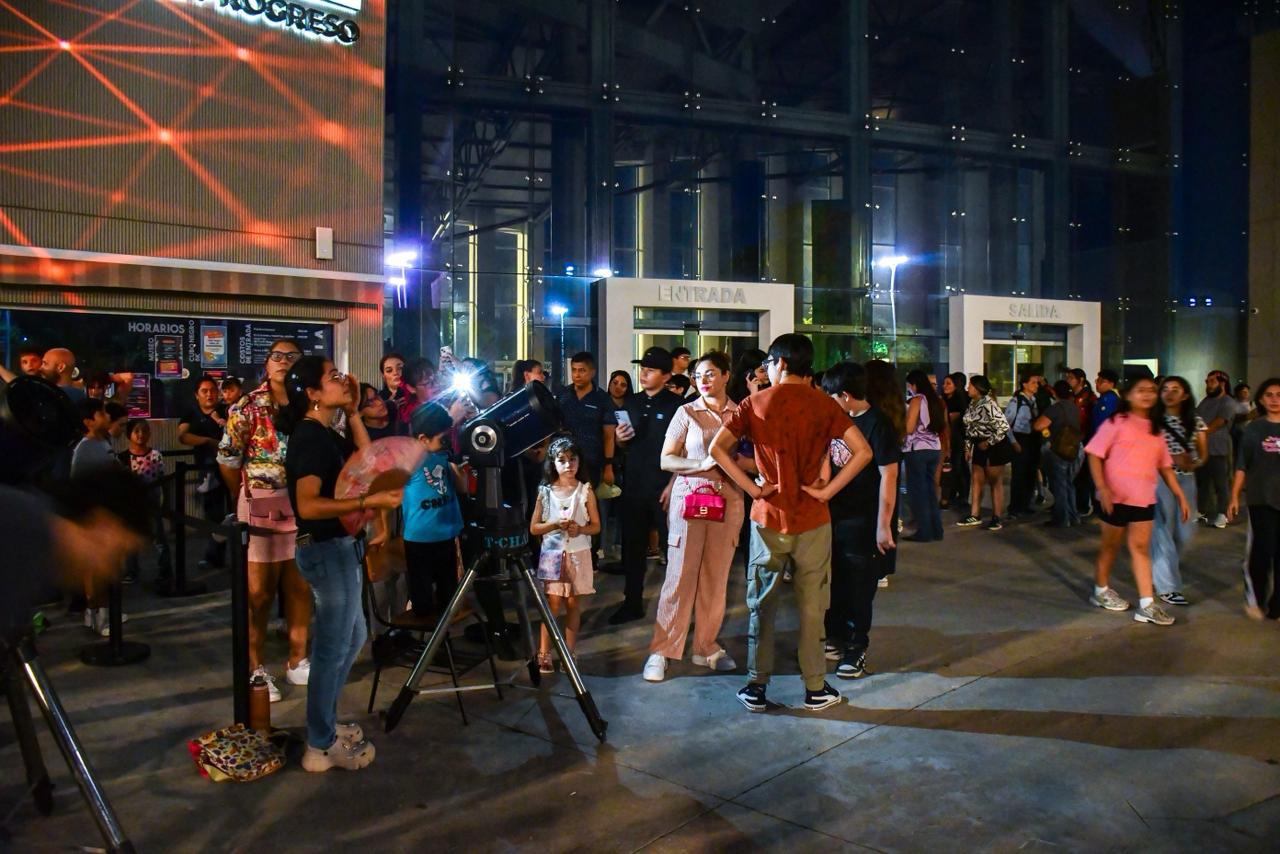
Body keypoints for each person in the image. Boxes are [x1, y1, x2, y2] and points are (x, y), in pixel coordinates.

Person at [709, 333, 873, 713]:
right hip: (813, 518)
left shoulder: (754, 403)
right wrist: (827, 490)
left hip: (768, 516)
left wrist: (753, 486)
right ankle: (815, 687)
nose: (766, 369)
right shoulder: (825, 405)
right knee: (814, 605)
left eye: (768, 362)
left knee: (762, 603)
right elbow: (863, 452)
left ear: (781, 363)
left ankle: (756, 685)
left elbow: (717, 448)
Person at [277, 355, 401, 772]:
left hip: (339, 548)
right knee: (332, 648)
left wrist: (352, 412)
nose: (344, 380)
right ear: (312, 393)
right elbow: (309, 506)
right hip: (326, 550)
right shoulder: (309, 437)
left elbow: (368, 462)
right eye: (332, 378)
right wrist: (371, 503)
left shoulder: (326, 432)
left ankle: (325, 724)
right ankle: (320, 742)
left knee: (352, 637)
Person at [218, 338, 312, 702]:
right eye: (277, 356)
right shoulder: (248, 405)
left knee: (299, 586)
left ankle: (297, 659)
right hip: (258, 506)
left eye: (292, 356)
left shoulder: (308, 403)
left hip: (300, 505)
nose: (284, 362)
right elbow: (228, 458)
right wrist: (243, 497)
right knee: (257, 593)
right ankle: (255, 669)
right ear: (266, 362)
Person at [643, 352, 746, 682]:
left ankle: (706, 646)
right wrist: (699, 466)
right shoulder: (685, 412)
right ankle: (662, 650)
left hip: (729, 499)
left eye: (711, 373)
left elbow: (754, 458)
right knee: (679, 574)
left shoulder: (741, 414)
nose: (703, 380)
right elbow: (665, 459)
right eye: (698, 375)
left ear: (726, 376)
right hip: (690, 498)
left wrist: (738, 468)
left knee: (716, 577)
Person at [0, 469, 151, 645]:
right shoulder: (21, 531)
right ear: (104, 524)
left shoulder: (35, 550)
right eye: (120, 553)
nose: (115, 571)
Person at [1086, 377, 1190, 627]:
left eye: (1152, 390)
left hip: (1143, 498)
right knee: (1110, 547)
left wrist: (1180, 494)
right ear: (1128, 395)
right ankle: (1100, 591)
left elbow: (1165, 466)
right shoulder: (1116, 422)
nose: (1147, 394)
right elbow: (1094, 454)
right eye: (1140, 390)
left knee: (1141, 549)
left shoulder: (1156, 429)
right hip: (1115, 497)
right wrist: (1102, 488)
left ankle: (1146, 605)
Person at [820, 362, 898, 680]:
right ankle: (835, 637)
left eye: (830, 396)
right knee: (835, 582)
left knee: (859, 587)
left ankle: (856, 648)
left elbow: (889, 477)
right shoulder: (835, 421)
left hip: (864, 520)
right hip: (835, 517)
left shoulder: (878, 424)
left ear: (847, 395)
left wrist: (884, 524)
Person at [610, 347, 684, 624]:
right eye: (642, 369)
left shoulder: (677, 406)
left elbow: (685, 450)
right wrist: (619, 438)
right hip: (634, 485)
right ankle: (632, 602)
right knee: (632, 548)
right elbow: (623, 444)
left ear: (666, 376)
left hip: (665, 487)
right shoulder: (631, 402)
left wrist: (673, 483)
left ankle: (675, 608)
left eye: (651, 370)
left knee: (673, 549)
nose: (644, 374)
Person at [530, 436, 599, 673]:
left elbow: (596, 526)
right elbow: (534, 527)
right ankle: (544, 652)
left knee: (572, 604)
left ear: (580, 461)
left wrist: (579, 529)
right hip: (552, 554)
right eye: (562, 460)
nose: (568, 465)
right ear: (553, 463)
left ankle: (569, 652)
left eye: (572, 459)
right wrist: (553, 525)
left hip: (578, 553)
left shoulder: (585, 491)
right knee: (553, 604)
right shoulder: (545, 492)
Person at [401, 402, 465, 620]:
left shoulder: (442, 456)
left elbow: (462, 487)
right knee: (423, 603)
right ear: (422, 439)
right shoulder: (409, 462)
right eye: (441, 439)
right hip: (420, 540)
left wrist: (453, 459)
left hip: (446, 536)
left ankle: (442, 645)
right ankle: (427, 647)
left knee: (449, 598)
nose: (445, 442)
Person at [71, 398, 125, 635]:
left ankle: (101, 612)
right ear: (89, 421)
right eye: (101, 413)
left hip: (105, 515)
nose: (107, 417)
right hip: (93, 517)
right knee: (96, 570)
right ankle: (98, 615)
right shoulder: (87, 448)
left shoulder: (101, 443)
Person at [1228, 377, 1280, 620]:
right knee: (1261, 552)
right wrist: (1234, 496)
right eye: (1269, 395)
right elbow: (1242, 465)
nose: (1274, 400)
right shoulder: (1254, 429)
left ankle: (1277, 604)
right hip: (1261, 500)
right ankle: (1256, 600)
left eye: (1279, 395)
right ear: (1260, 399)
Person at [1152, 376, 1206, 607]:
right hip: (1159, 479)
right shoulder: (1152, 421)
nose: (1169, 393)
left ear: (1185, 395)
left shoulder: (1195, 421)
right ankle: (1167, 587)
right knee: (1162, 531)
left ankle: (1161, 566)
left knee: (1185, 532)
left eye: (1176, 389)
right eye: (1165, 389)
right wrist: (1171, 458)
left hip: (1186, 480)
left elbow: (1203, 454)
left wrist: (1193, 463)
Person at [179, 376, 229, 571]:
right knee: (214, 515)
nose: (209, 394)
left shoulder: (226, 411)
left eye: (213, 390)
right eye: (204, 391)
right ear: (197, 395)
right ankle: (214, 556)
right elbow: (183, 436)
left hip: (230, 469)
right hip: (207, 471)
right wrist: (208, 441)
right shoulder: (191, 413)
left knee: (234, 514)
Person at [554, 352, 618, 490]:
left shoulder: (602, 399)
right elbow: (554, 425)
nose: (577, 375)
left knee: (588, 505)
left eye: (582, 370)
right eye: (574, 370)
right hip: (565, 461)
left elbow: (609, 436)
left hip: (591, 463)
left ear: (592, 372)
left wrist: (608, 467)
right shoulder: (563, 396)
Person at [958, 375, 1014, 530]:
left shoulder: (989, 404)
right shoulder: (972, 404)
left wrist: (988, 442)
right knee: (976, 479)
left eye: (970, 385)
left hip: (994, 447)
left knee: (995, 481)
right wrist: (968, 448)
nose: (968, 388)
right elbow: (969, 429)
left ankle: (997, 516)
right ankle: (975, 514)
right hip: (978, 445)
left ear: (978, 388)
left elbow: (1003, 427)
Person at [119, 419, 170, 586]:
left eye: (145, 431)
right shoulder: (123, 457)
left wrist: (166, 500)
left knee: (159, 539)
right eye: (137, 431)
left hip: (152, 503)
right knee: (131, 540)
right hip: (132, 504)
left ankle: (165, 570)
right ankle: (131, 571)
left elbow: (162, 478)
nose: (141, 435)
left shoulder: (155, 455)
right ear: (129, 435)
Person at [1033, 380, 1084, 528]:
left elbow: (1039, 426)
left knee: (1059, 485)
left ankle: (1062, 518)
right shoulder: (1074, 407)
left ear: (1054, 393)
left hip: (1059, 449)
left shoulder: (1055, 408)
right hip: (1075, 448)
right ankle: (1073, 516)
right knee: (1069, 484)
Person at [1197, 370, 1243, 529]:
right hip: (1202, 449)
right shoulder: (1205, 401)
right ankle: (1201, 511)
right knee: (1202, 482)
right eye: (1207, 381)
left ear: (1222, 383)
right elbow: (1196, 418)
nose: (1208, 385)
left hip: (1219, 448)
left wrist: (1201, 435)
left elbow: (1219, 422)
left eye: (1211, 381)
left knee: (1221, 483)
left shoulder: (1227, 402)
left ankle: (1223, 514)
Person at [902, 369, 944, 541]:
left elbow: (909, 427)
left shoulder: (917, 400)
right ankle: (936, 529)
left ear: (913, 384)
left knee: (919, 493)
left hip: (917, 450)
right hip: (934, 448)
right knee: (929, 491)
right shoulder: (935, 400)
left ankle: (924, 531)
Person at [1004, 373, 1041, 518]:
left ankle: (1026, 504)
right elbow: (1006, 423)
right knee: (1019, 474)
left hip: (1032, 439)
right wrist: (1013, 441)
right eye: (1033, 382)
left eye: (1036, 383)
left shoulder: (1033, 401)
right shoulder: (1016, 401)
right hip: (1020, 439)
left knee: (1030, 473)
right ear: (1024, 384)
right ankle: (1015, 507)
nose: (1036, 385)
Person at [1067, 368, 1098, 516]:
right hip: (1072, 439)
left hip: (1086, 439)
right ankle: (1078, 504)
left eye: (1071, 378)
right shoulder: (1072, 396)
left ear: (1081, 380)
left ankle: (1085, 505)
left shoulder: (1089, 398)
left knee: (1085, 474)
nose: (1069, 381)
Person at [942, 372, 969, 511]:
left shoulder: (960, 400)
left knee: (957, 467)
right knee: (951, 467)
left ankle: (962, 496)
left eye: (948, 383)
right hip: (947, 439)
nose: (944, 386)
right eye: (944, 383)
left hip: (957, 438)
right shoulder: (943, 400)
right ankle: (951, 494)